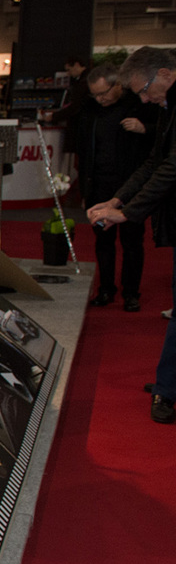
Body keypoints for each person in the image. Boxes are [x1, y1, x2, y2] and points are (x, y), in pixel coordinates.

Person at [86, 47, 176, 424]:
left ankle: (167, 389)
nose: (143, 99)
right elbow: (155, 161)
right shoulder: (167, 105)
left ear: (165, 72)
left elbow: (172, 167)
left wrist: (127, 212)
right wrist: (118, 198)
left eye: (145, 90)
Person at [78, 64, 157, 311]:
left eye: (103, 93)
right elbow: (84, 152)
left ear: (118, 85)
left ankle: (131, 292)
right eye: (95, 94)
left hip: (130, 186)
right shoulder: (90, 111)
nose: (100, 99)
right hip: (99, 184)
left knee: (132, 242)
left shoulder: (140, 104)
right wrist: (84, 191)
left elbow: (162, 143)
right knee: (103, 241)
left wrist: (145, 129)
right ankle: (106, 289)